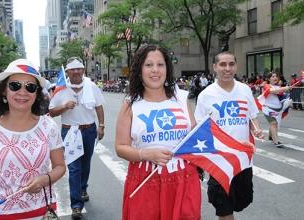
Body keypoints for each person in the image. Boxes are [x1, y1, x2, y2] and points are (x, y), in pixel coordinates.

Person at [115, 45, 201, 220]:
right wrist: (145, 154)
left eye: (160, 65)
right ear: (140, 70)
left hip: (184, 178)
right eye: (148, 65)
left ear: (167, 68)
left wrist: (230, 147)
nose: (155, 70)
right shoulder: (130, 103)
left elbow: (197, 138)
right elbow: (121, 147)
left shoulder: (182, 99)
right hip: (145, 179)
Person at [0, 59, 66, 219]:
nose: (22, 92)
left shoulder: (49, 126)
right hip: (2, 214)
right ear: (4, 90)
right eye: (15, 85)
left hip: (42, 212)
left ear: (37, 93)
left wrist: (45, 179)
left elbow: (60, 166)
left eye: (30, 87)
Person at [194, 51, 263, 220]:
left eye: (231, 64)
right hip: (220, 161)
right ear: (215, 67)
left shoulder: (245, 90)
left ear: (236, 66)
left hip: (243, 159)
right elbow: (200, 129)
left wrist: (256, 129)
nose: (227, 68)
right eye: (223, 65)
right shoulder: (206, 95)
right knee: (224, 208)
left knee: (242, 200)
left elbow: (252, 117)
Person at [49, 57, 105, 219]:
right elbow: (51, 112)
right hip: (70, 132)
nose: (76, 72)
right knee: (74, 168)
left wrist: (101, 125)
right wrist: (64, 106)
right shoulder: (60, 89)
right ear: (67, 72)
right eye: (72, 69)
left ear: (83, 71)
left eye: (79, 68)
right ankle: (76, 205)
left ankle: (82, 188)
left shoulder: (91, 86)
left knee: (85, 163)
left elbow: (99, 106)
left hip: (89, 130)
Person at [262, 71, 292, 148]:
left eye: (276, 76)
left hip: (277, 109)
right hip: (268, 109)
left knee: (274, 123)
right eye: (273, 76)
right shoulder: (266, 85)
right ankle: (276, 141)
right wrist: (284, 88)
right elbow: (271, 91)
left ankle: (270, 136)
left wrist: (287, 89)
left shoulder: (278, 87)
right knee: (273, 123)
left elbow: (281, 94)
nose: (275, 78)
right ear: (268, 79)